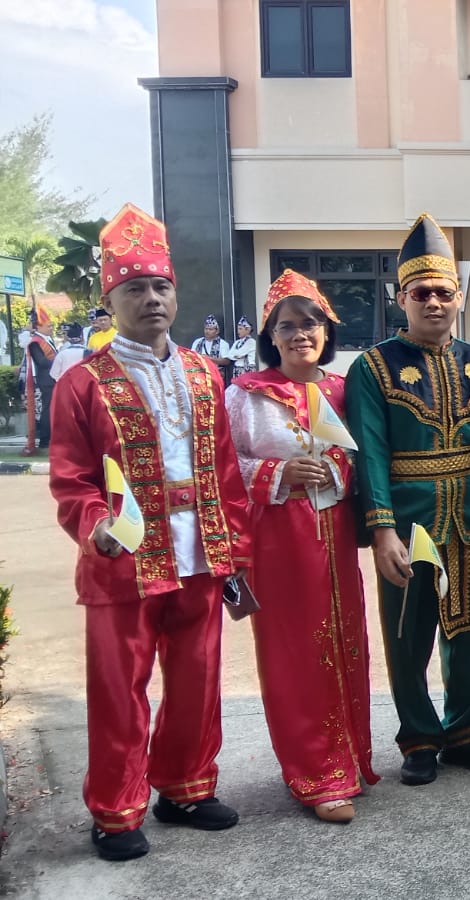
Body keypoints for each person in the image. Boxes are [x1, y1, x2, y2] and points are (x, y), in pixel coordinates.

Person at [48, 203, 252, 861]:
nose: (152, 299)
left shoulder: (204, 373)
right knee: (119, 691)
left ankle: (185, 788)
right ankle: (115, 811)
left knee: (197, 680)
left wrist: (237, 552)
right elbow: (71, 478)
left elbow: (226, 471)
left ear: (176, 294)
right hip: (123, 560)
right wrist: (95, 524)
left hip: (200, 552)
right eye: (135, 288)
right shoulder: (81, 383)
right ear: (110, 300)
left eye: (161, 286)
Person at [346, 213, 470, 785]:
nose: (434, 303)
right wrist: (381, 529)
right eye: (421, 293)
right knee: (407, 635)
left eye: (444, 292)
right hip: (408, 525)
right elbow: (369, 452)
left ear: (459, 297)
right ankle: (418, 738)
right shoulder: (372, 367)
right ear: (401, 298)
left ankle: (463, 732)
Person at [226, 269, 377, 821]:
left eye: (311, 323)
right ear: (271, 335)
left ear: (326, 331)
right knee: (294, 653)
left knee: (345, 644)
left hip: (335, 537)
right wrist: (278, 472)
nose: (300, 334)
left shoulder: (342, 391)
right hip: (279, 540)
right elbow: (224, 466)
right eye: (287, 325)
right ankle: (314, 775)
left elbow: (366, 456)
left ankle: (351, 760)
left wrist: (338, 466)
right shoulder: (245, 395)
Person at [23, 307, 56, 448]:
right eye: (48, 326)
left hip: (53, 378)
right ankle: (45, 440)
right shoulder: (35, 342)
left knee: (52, 408)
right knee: (47, 409)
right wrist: (59, 361)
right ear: (39, 327)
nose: (51, 328)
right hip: (47, 380)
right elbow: (42, 362)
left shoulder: (46, 339)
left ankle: (51, 437)